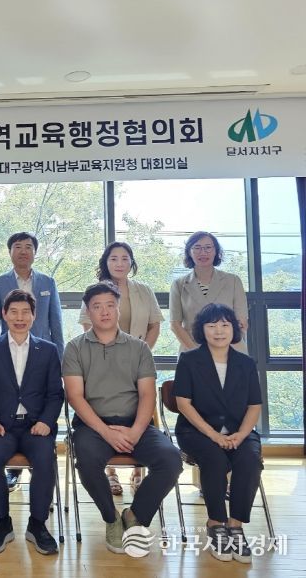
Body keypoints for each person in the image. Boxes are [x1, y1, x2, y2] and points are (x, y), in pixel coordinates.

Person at [62, 281, 181, 555]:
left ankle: (135, 514)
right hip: (93, 426)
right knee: (87, 460)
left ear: (118, 309)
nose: (104, 312)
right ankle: (111, 518)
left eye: (110, 305)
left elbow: (147, 395)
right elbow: (75, 397)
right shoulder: (75, 348)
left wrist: (136, 431)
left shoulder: (139, 348)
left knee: (171, 460)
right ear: (88, 312)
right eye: (97, 307)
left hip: (135, 423)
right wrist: (106, 432)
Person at [0, 289, 64, 555]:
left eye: (25, 312)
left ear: (34, 316)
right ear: (4, 314)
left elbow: (55, 394)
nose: (19, 317)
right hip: (1, 426)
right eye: (13, 312)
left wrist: (46, 421)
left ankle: (38, 524)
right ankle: (1, 523)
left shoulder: (48, 350)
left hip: (36, 426)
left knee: (45, 459)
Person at [173, 304, 262, 564]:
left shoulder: (246, 363)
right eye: (211, 326)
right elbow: (183, 404)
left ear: (234, 329)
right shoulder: (189, 360)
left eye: (225, 325)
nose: (219, 331)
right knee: (215, 459)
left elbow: (254, 405)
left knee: (250, 459)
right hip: (196, 431)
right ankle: (215, 524)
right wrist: (214, 435)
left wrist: (242, 434)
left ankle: (235, 526)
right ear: (201, 330)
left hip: (238, 431)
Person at [79, 242, 164, 495]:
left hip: (137, 361)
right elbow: (87, 324)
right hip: (102, 361)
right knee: (106, 409)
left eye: (124, 258)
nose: (119, 263)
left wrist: (139, 352)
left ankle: (139, 472)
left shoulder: (143, 290)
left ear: (131, 262)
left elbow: (155, 325)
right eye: (113, 258)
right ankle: (110, 472)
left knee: (143, 406)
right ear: (106, 263)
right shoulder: (95, 291)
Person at [0, 231, 63, 490]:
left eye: (28, 247)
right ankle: (14, 471)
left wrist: (60, 359)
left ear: (35, 252)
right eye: (17, 247)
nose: (23, 251)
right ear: (10, 252)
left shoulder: (48, 282)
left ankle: (34, 475)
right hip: (8, 355)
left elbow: (55, 323)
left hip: (41, 358)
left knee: (36, 410)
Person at [169, 231, 249, 354]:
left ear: (216, 251)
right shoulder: (179, 284)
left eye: (208, 247)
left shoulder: (233, 281)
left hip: (231, 351)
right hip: (192, 351)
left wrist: (221, 348)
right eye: (197, 248)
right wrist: (198, 353)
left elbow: (241, 322)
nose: (203, 252)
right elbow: (175, 324)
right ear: (189, 252)